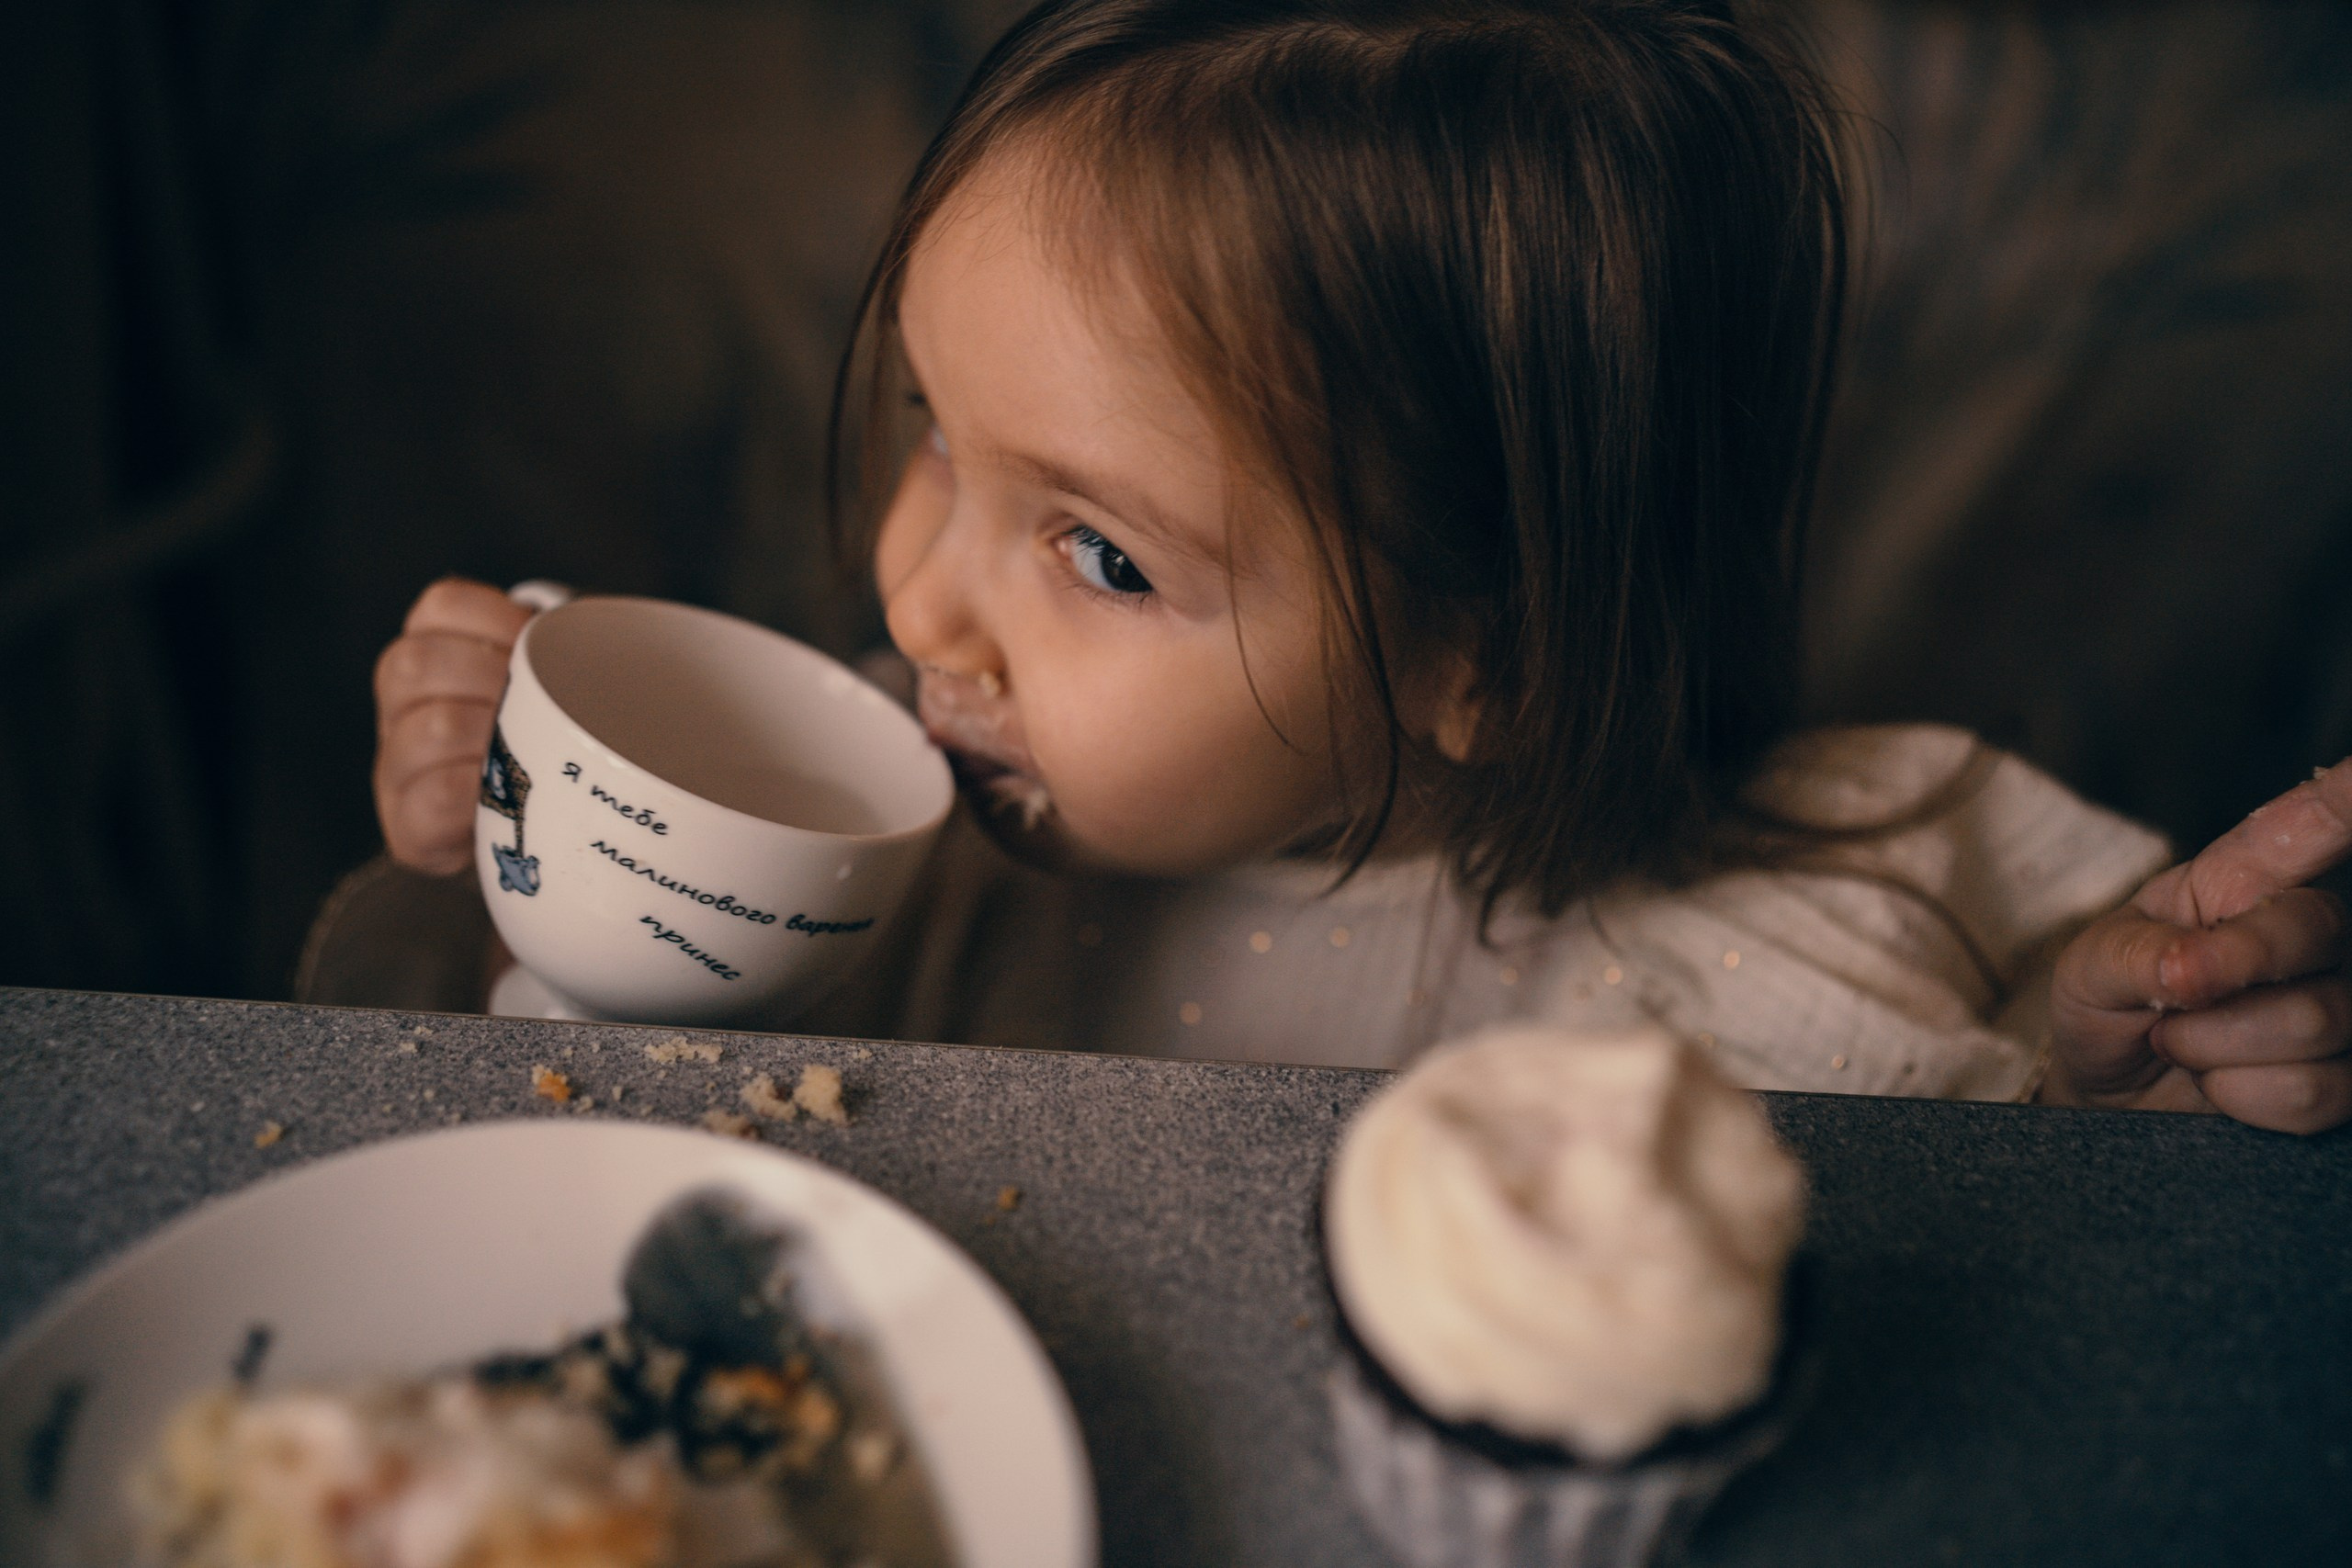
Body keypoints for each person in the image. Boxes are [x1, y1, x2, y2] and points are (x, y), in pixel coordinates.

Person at [368, 0, 2350, 1133]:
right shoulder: (887, 854)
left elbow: (2014, 1283)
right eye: (925, 429)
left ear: (1484, 648)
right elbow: (566, 1137)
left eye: (1092, 550)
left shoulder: (1784, 958)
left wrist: (2141, 1085)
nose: (915, 603)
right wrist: (517, 869)